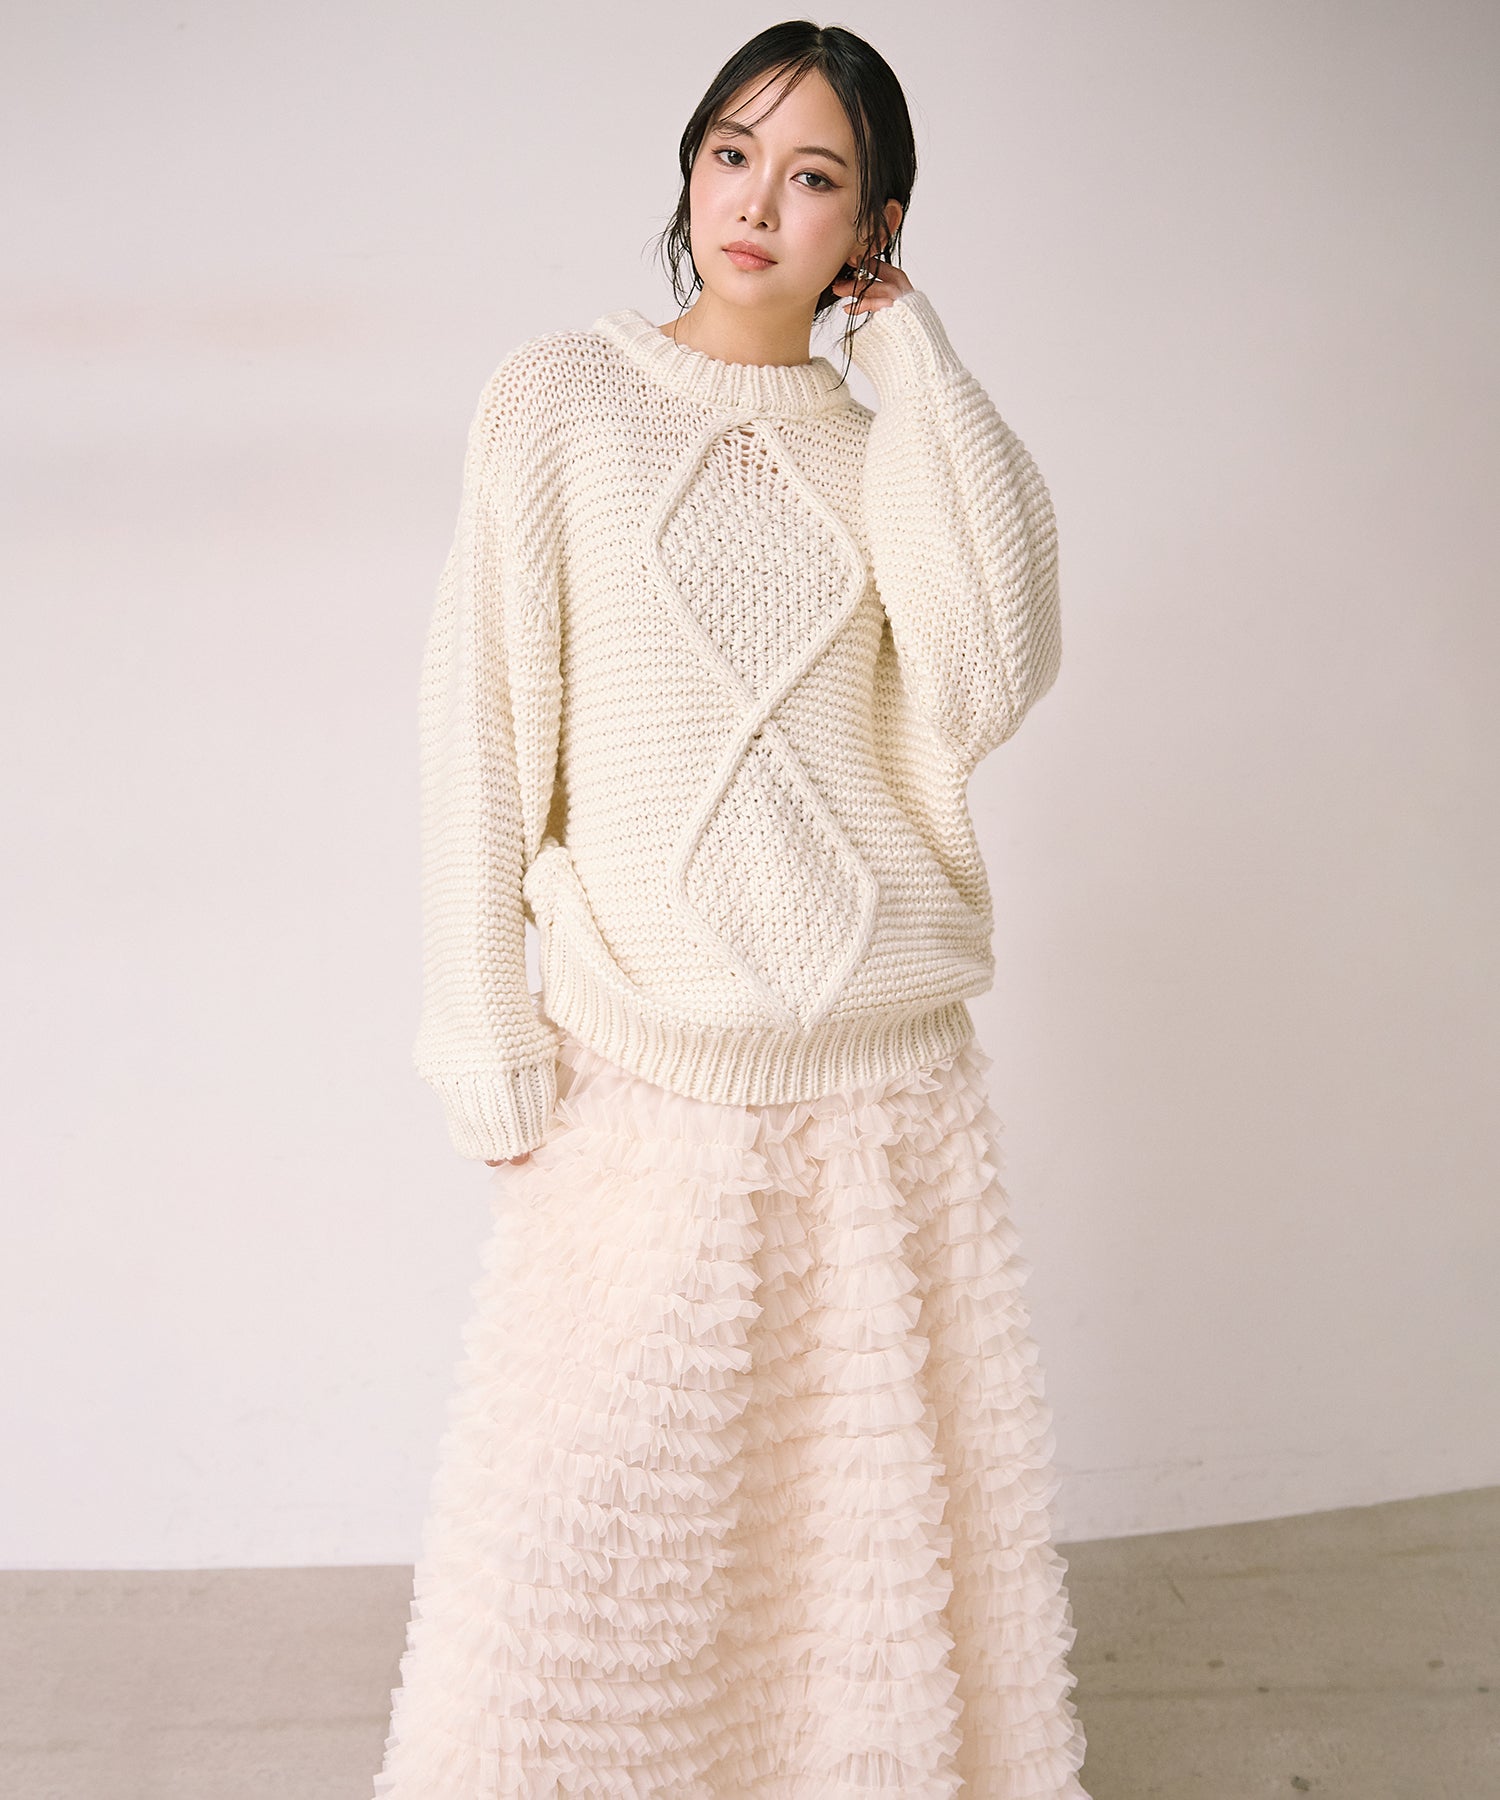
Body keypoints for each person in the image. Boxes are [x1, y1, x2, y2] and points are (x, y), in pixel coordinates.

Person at [373, 19, 1090, 1798]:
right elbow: (480, 721)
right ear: (689, 170)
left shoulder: (892, 448)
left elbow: (996, 669)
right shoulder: (560, 400)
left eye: (815, 175)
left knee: (854, 1587)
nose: (757, 202)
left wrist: (908, 346)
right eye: (731, 153)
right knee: (576, 1566)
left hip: (886, 1096)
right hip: (643, 1077)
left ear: (874, 225)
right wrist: (480, 1024)